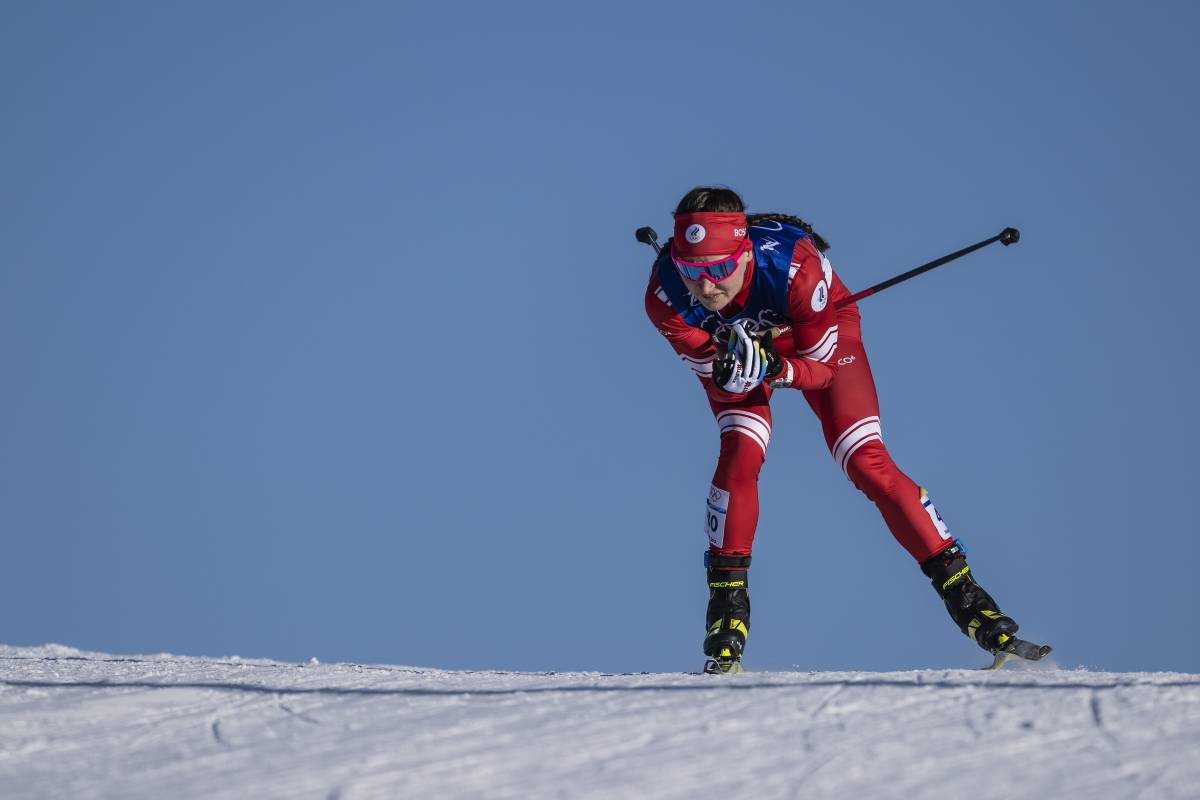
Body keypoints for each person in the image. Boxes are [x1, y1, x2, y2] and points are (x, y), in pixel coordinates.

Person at [644, 186, 1044, 673]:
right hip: (740, 350)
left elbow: (822, 371)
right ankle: (726, 612)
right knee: (741, 450)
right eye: (693, 272)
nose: (706, 288)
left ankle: (970, 600)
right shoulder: (664, 296)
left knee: (866, 461)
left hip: (818, 339)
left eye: (719, 269)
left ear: (744, 253)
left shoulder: (796, 268)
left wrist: (777, 367)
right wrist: (730, 367)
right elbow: (716, 374)